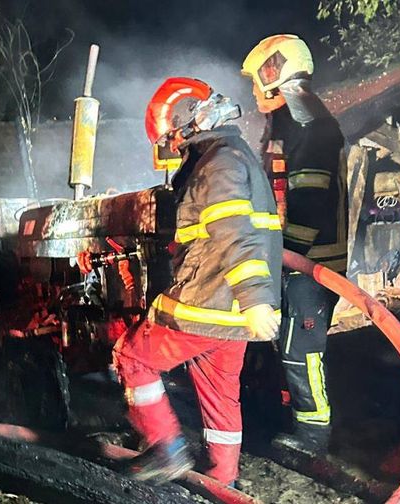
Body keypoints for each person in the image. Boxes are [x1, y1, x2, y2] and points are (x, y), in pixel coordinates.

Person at [88, 77, 283, 486]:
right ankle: (221, 481)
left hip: (209, 301)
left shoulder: (219, 164)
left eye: (172, 137)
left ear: (191, 123)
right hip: (232, 315)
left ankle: (166, 448)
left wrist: (254, 298)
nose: (173, 147)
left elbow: (233, 230)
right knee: (220, 395)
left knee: (133, 357)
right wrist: (252, 302)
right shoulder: (235, 155)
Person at [241, 34, 348, 455]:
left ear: (275, 75)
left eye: (257, 81)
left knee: (301, 350)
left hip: (312, 265)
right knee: (283, 345)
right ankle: (282, 417)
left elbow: (309, 204)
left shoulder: (313, 129)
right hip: (295, 260)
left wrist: (283, 258)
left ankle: (313, 436)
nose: (254, 92)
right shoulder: (293, 126)